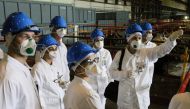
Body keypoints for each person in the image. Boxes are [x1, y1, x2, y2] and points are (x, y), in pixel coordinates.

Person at [109, 23, 183, 109]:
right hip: (126, 98)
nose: (137, 40)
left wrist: (170, 40)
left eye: (139, 38)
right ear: (128, 39)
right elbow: (111, 72)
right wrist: (123, 74)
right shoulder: (120, 54)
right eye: (134, 37)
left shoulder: (146, 53)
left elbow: (160, 50)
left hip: (142, 97)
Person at [0, 12, 41, 109]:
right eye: (25, 36)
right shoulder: (8, 77)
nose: (31, 42)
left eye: (33, 37)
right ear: (10, 38)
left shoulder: (22, 67)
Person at [64, 41, 103, 109]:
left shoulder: (72, 85)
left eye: (94, 60)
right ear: (77, 67)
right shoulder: (89, 95)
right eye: (90, 62)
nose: (94, 64)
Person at [31, 34, 65, 109]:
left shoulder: (54, 67)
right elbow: (36, 94)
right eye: (51, 49)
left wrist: (61, 84)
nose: (55, 51)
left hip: (59, 105)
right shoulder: (38, 68)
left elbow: (56, 83)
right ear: (43, 50)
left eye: (55, 48)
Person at [89, 28, 113, 107]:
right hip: (92, 84)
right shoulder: (88, 53)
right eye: (97, 40)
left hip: (103, 84)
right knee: (92, 105)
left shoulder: (106, 53)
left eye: (102, 39)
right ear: (93, 41)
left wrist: (111, 83)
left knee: (102, 105)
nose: (100, 42)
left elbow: (110, 68)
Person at [50, 16, 70, 84]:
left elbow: (65, 64)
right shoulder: (47, 47)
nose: (63, 31)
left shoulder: (63, 47)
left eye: (64, 28)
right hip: (54, 82)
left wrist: (67, 80)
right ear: (53, 29)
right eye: (59, 28)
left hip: (64, 82)